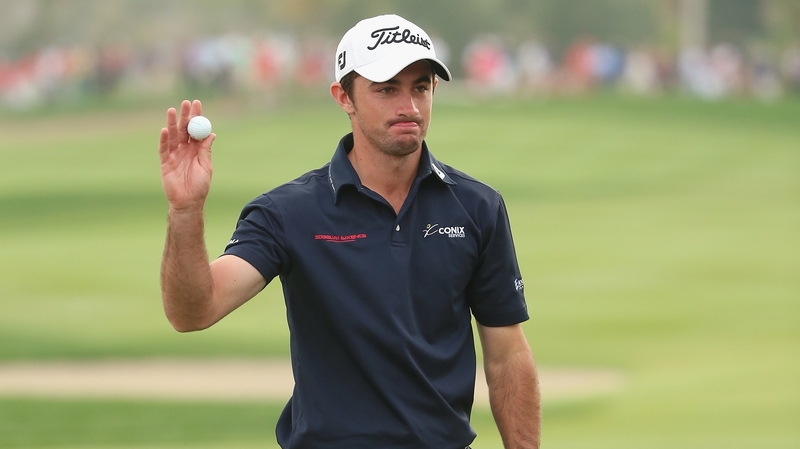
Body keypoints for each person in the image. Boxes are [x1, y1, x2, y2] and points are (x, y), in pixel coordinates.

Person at [158, 14, 540, 449]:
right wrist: (185, 211)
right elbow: (192, 312)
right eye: (386, 89)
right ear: (344, 97)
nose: (409, 107)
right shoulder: (289, 212)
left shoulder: (477, 206)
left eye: (420, 86)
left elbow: (507, 353)